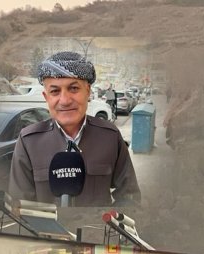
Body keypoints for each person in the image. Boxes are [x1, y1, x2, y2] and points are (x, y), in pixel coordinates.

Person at [8, 51, 141, 207]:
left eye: (73, 89)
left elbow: (129, 197)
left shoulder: (110, 137)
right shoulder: (29, 141)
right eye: (55, 91)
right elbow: (20, 207)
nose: (64, 101)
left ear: (88, 92)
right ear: (46, 97)